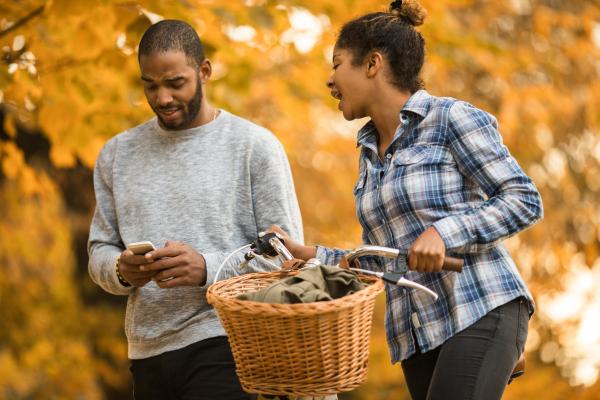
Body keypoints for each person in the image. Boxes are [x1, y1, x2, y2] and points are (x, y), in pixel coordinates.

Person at [270, 1, 543, 399]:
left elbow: (523, 199)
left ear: (372, 64)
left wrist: (444, 233)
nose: (330, 80)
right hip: (417, 333)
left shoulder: (449, 118)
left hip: (480, 306)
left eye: (337, 64)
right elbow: (382, 258)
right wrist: (309, 254)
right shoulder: (367, 151)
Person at [87, 19, 303, 400]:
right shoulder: (117, 155)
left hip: (230, 341)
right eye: (150, 85)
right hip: (147, 351)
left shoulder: (254, 146)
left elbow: (289, 258)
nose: (162, 98)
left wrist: (208, 266)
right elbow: (99, 250)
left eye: (175, 83)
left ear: (205, 71)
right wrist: (121, 270)